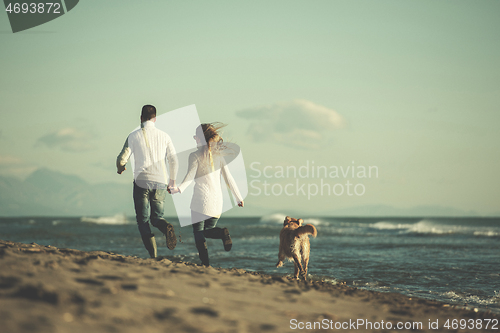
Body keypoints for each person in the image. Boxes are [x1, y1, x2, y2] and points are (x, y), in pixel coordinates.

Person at [169, 123, 244, 266]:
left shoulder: (195, 155)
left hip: (200, 201)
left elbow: (190, 177)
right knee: (208, 231)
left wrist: (179, 189)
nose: (194, 140)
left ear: (200, 138)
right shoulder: (219, 156)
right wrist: (238, 197)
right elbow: (229, 178)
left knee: (198, 233)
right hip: (217, 204)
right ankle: (222, 233)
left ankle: (206, 263)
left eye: (195, 137)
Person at [116, 105, 178, 258]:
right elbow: (174, 160)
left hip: (141, 182)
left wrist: (120, 168)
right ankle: (166, 227)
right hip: (161, 182)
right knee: (157, 218)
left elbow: (122, 158)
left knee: (143, 221)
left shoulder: (134, 136)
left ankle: (153, 255)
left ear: (141, 118)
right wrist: (172, 182)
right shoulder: (165, 136)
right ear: (155, 118)